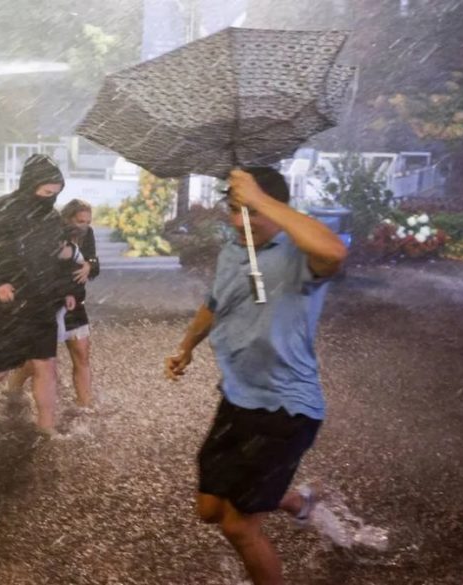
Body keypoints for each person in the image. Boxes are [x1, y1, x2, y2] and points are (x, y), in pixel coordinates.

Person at [164, 167, 347, 585]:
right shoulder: (233, 249)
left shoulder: (300, 255)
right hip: (237, 398)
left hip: (286, 409)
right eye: (232, 210)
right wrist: (186, 347)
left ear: (277, 210)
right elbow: (215, 303)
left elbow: (335, 253)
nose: (237, 222)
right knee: (210, 510)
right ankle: (296, 500)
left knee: (239, 526)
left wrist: (261, 199)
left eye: (249, 213)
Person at [0, 154, 80, 434]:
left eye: (56, 194)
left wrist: (66, 290)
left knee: (46, 364)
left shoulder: (51, 219)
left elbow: (56, 258)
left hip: (40, 303)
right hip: (4, 304)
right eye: (46, 192)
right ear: (30, 186)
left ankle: (46, 429)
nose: (51, 199)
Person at [7, 199, 100, 409]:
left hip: (75, 303)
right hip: (49, 303)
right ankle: (14, 386)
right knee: (38, 361)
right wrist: (65, 290)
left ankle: (85, 407)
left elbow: (94, 262)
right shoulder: (51, 235)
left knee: (82, 354)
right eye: (79, 221)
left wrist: (89, 265)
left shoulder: (88, 234)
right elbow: (44, 272)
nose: (84, 226)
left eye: (87, 221)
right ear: (67, 218)